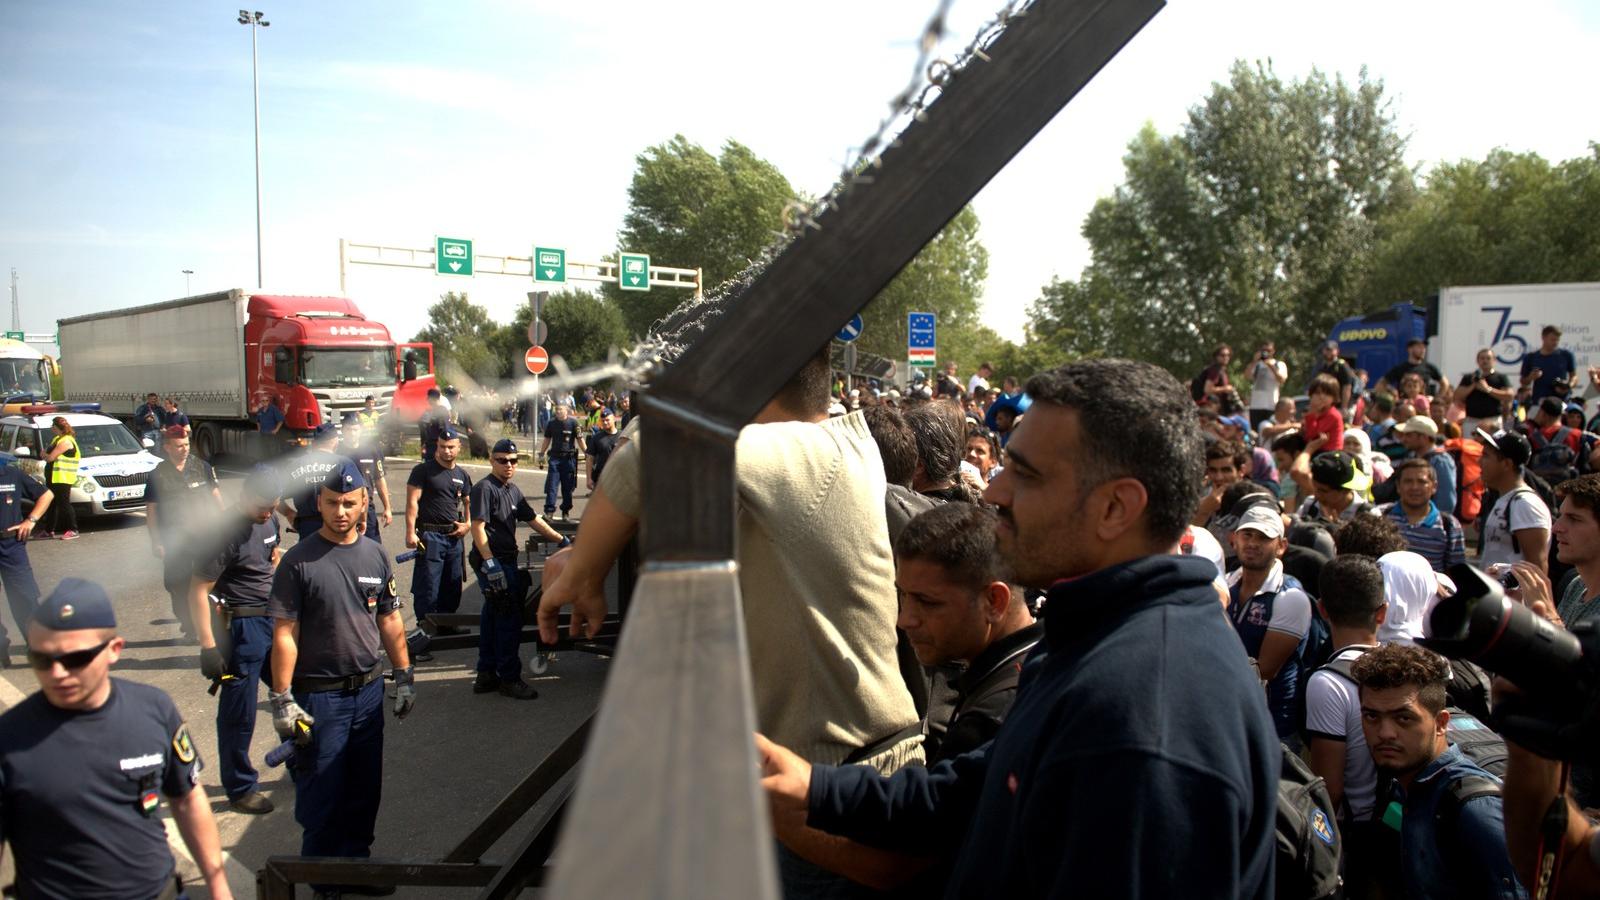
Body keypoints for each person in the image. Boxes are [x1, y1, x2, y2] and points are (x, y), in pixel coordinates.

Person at [756, 359, 1277, 898]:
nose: (994, 491)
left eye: (1025, 475)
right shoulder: (1092, 640)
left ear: (1116, 507)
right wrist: (812, 788)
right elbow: (970, 792)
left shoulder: (1144, 718)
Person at [0, 579, 233, 900]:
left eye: (75, 659)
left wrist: (218, 886)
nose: (56, 673)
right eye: (41, 659)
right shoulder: (9, 738)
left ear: (114, 650)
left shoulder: (154, 710)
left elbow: (187, 798)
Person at [268, 459, 414, 897]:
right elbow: (284, 635)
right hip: (321, 700)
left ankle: (357, 868)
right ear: (320, 502)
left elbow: (389, 620)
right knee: (322, 798)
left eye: (350, 503)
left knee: (363, 791)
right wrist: (281, 699)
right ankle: (325, 884)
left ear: (365, 501)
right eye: (332, 503)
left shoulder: (374, 553)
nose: (341, 511)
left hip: (368, 692)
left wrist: (404, 675)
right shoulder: (298, 561)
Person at [1350, 643, 1528, 899]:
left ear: (1441, 723)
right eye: (1372, 717)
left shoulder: (1474, 811)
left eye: (1403, 718)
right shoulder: (1403, 784)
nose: (1385, 733)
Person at [894, 503, 1041, 763]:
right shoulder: (1037, 664)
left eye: (926, 602)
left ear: (994, 602)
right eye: (903, 595)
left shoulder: (994, 719)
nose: (905, 619)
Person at [188, 465, 282, 815]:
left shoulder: (268, 519)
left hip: (274, 620)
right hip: (241, 629)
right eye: (261, 507)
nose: (267, 513)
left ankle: (301, 759)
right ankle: (240, 787)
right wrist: (208, 646)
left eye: (272, 507)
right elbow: (198, 590)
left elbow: (270, 556)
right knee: (239, 713)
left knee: (293, 693)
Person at [1302, 555, 1387, 896]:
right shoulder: (1400, 664)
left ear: (1322, 610)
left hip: (1355, 839)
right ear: (1381, 612)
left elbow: (1329, 790)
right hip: (1398, 829)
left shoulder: (1327, 683)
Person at [469, 438, 566, 700]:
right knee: (508, 621)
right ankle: (509, 678)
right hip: (494, 562)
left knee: (492, 617)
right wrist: (490, 563)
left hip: (505, 560)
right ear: (492, 460)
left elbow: (533, 519)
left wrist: (561, 540)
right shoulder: (484, 488)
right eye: (502, 460)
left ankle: (486, 674)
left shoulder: (512, 491)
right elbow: (477, 527)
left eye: (513, 461)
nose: (508, 465)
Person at [1225, 504, 1312, 741]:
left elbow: (1264, 671)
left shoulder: (1290, 597)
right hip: (1228, 720)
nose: (1252, 543)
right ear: (1234, 539)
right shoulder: (1225, 584)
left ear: (1281, 546)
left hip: (1273, 728)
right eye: (1247, 535)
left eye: (1263, 537)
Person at [146, 425, 223, 640]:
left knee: (207, 581)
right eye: (179, 446)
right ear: (167, 447)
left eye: (187, 444)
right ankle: (188, 623)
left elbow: (216, 496)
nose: (184, 449)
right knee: (175, 584)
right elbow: (151, 511)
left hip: (204, 537)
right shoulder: (157, 474)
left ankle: (206, 625)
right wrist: (156, 541)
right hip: (174, 540)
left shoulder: (202, 466)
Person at [405, 425, 471, 634]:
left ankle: (447, 623)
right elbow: (412, 502)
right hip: (430, 536)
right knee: (428, 586)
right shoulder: (423, 471)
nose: (446, 451)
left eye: (451, 447)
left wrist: (468, 524)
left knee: (452, 584)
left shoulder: (462, 474)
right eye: (442, 446)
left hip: (453, 538)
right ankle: (424, 630)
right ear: (437, 447)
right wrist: (409, 532)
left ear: (459, 447)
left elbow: (469, 502)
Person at [1476, 428, 1552, 574]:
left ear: (1506, 464)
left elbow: (1538, 566)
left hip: (1515, 597)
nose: (1479, 461)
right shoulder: (1506, 499)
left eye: (1486, 456)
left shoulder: (1525, 504)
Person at [0, 461, 52, 667]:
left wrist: (31, 520)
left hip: (11, 544)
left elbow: (46, 495)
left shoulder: (11, 473)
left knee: (25, 597)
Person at [1380, 458, 1467, 573]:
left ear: (1434, 487)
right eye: (1408, 481)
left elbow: (1457, 574)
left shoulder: (1449, 525)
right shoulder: (1380, 516)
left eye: (1422, 482)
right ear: (1398, 486)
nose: (1414, 487)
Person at [279, 422, 349, 539]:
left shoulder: (296, 464)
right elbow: (360, 495)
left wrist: (288, 513)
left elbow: (271, 493)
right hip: (336, 525)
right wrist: (361, 520)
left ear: (314, 443)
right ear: (335, 442)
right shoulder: (343, 464)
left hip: (307, 527)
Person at [1391, 414, 1459, 517]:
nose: (1404, 439)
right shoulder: (1411, 456)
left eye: (1409, 435)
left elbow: (1446, 502)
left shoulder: (1441, 461)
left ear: (1423, 437)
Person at [342, 414, 392, 545]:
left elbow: (380, 479)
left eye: (355, 429)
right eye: (348, 429)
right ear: (342, 430)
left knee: (373, 548)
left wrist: (387, 507)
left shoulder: (372, 450)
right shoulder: (336, 451)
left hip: (367, 507)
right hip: (343, 508)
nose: (352, 433)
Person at [1455, 347, 1514, 436]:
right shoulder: (1469, 378)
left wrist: (1488, 389)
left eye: (1488, 358)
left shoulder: (1500, 377)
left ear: (1494, 360)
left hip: (1492, 420)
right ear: (1477, 361)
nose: (1485, 361)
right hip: (1472, 420)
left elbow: (1509, 395)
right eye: (1482, 358)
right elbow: (1457, 396)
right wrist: (1473, 386)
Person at [41, 415, 80, 540]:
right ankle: (48, 530)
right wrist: (45, 454)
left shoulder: (66, 441)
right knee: (51, 503)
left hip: (63, 477)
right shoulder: (57, 439)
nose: (51, 428)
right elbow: (45, 453)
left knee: (64, 504)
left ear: (58, 427)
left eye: (53, 425)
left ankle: (73, 529)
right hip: (54, 477)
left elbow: (50, 457)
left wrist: (45, 455)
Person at [540, 403, 579, 519]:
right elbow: (547, 439)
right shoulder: (551, 423)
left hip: (568, 459)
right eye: (556, 410)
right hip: (555, 459)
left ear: (566, 411)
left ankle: (565, 511)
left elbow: (580, 439)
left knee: (567, 487)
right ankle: (549, 511)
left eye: (560, 410)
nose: (558, 412)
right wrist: (541, 454)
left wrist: (588, 453)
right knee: (552, 486)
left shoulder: (573, 423)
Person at [1522, 324, 1578, 403]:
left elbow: (1574, 376)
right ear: (1543, 338)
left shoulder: (1566, 355)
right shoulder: (1531, 357)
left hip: (1561, 401)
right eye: (1552, 339)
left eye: (1557, 340)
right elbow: (1523, 382)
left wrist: (1568, 386)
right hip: (1539, 401)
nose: (1555, 343)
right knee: (1533, 414)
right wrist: (1531, 377)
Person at [1378, 338, 1445, 396]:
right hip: (1404, 407)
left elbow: (1445, 384)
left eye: (1424, 347)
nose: (1423, 350)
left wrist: (1436, 399)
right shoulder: (1400, 368)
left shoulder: (1429, 367)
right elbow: (1381, 384)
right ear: (1410, 349)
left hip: (1423, 407)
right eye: (1419, 347)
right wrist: (1390, 400)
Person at [1301, 373, 1346, 456]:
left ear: (1334, 397)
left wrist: (1312, 410)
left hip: (1331, 455)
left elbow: (1311, 435)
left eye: (1327, 394)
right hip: (1319, 451)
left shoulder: (1333, 415)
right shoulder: (1318, 413)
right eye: (1317, 393)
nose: (1321, 397)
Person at [1246, 341, 1288, 431]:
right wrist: (1254, 361)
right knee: (1255, 431)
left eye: (1269, 350)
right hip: (1255, 405)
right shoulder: (1256, 365)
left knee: (1269, 430)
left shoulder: (1279, 364)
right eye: (1263, 350)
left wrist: (1271, 366)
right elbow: (1247, 376)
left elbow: (1282, 380)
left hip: (1271, 405)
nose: (1266, 352)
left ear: (1273, 351)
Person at [1310, 339, 1357, 414]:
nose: (1328, 352)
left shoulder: (1342, 366)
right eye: (1326, 350)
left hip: (1341, 406)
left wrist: (1344, 407)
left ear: (1337, 351)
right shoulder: (1323, 367)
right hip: (1329, 406)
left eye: (1330, 350)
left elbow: (1347, 387)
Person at [585, 407, 619, 490]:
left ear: (614, 419)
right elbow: (589, 458)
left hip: (619, 476)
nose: (605, 422)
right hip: (602, 476)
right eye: (603, 420)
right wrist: (589, 478)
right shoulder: (597, 438)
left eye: (607, 420)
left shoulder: (623, 436)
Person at [418, 388, 450, 461]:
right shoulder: (434, 411)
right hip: (431, 445)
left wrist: (441, 447)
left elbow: (443, 429)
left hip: (436, 445)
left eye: (429, 399)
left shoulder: (441, 411)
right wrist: (425, 443)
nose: (428, 401)